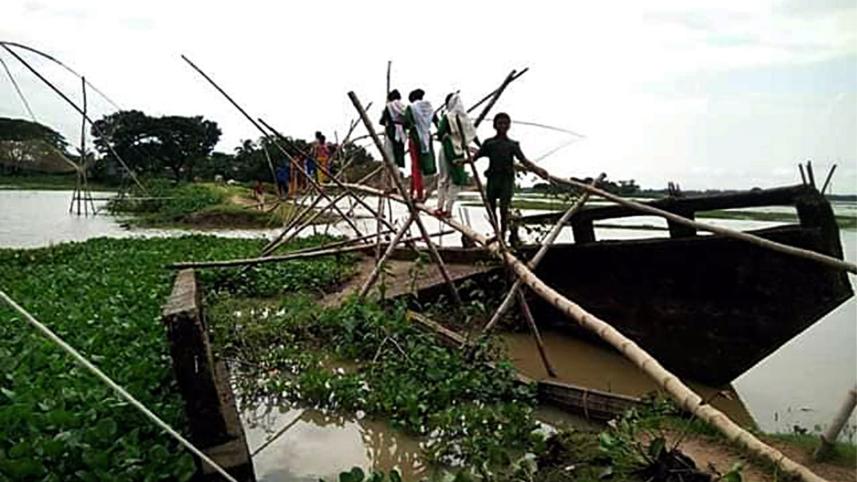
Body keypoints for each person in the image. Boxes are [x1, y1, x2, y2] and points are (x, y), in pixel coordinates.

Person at [473, 112, 529, 242]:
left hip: (506, 180)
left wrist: (538, 170)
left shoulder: (513, 145)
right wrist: (463, 161)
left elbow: (524, 161)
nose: (502, 126)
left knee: (504, 209)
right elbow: (475, 157)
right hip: (493, 179)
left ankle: (502, 235)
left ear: (509, 126)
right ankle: (497, 233)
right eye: (500, 123)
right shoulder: (489, 143)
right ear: (495, 125)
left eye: (505, 123)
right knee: (491, 208)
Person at [434, 93, 475, 218]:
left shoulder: (448, 117)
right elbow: (472, 135)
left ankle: (440, 208)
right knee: (455, 180)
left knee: (443, 179)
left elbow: (440, 133)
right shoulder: (466, 119)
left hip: (447, 148)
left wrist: (440, 131)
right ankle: (449, 209)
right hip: (459, 151)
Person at [403, 89, 437, 202]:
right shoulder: (429, 108)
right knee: (421, 165)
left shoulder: (411, 107)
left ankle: (418, 193)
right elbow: (437, 122)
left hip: (415, 138)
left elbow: (406, 123)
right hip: (427, 138)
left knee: (415, 166)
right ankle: (414, 191)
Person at [380, 89, 407, 169]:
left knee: (390, 155)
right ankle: (398, 169)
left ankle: (392, 173)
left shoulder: (389, 106)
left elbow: (382, 121)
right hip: (402, 132)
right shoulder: (403, 107)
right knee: (399, 153)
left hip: (392, 130)